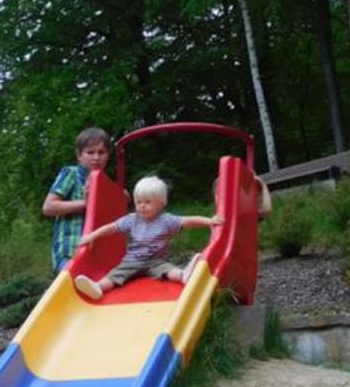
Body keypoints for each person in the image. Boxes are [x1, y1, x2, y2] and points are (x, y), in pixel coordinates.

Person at [74, 174, 223, 300]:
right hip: (132, 260)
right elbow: (111, 228)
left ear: (161, 204)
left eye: (147, 202)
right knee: (117, 273)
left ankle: (184, 275)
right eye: (138, 202)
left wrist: (209, 221)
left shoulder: (166, 220)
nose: (142, 206)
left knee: (167, 270)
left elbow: (189, 221)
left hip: (155, 261)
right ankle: (98, 287)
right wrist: (92, 235)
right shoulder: (132, 219)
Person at [42, 126, 114, 273]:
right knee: (74, 280)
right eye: (90, 152)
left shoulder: (105, 184)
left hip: (94, 256)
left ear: (108, 155)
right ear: (79, 155)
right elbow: (48, 207)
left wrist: (118, 200)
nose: (96, 157)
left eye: (101, 152)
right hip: (69, 252)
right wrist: (87, 203)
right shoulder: (71, 173)